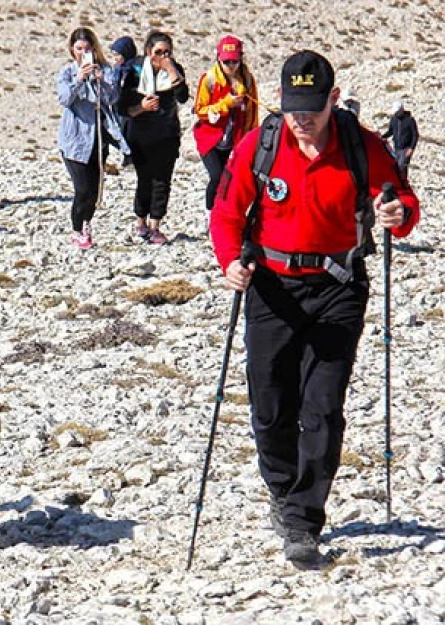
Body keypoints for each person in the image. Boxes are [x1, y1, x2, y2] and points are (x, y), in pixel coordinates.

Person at [210, 51, 419, 568]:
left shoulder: (360, 145)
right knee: (270, 404)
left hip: (338, 287)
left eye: (312, 108)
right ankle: (282, 491)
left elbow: (403, 205)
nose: (302, 120)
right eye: (293, 108)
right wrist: (228, 264)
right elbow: (227, 212)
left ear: (332, 99)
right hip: (271, 287)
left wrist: (396, 213)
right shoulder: (260, 145)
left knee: (322, 407)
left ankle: (304, 518)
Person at [118, 31, 189, 245]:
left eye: (167, 52)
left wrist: (170, 70)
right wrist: (142, 107)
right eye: (159, 52)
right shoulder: (136, 72)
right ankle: (140, 221)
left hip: (167, 135)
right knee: (145, 179)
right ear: (149, 52)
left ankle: (155, 225)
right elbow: (123, 107)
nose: (163, 56)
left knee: (163, 182)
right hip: (141, 135)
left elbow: (183, 97)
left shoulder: (174, 70)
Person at [56, 27, 123, 249]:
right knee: (82, 188)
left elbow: (113, 98)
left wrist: (102, 80)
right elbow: (64, 99)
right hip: (74, 140)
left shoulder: (106, 70)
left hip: (98, 140)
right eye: (78, 49)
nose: (83, 52)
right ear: (72, 50)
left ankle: (87, 223)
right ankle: (76, 229)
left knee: (94, 191)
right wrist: (79, 79)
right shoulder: (67, 72)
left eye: (87, 48)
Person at [192, 35, 259, 211]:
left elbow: (252, 110)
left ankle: (226, 212)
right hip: (210, 139)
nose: (231, 66)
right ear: (219, 60)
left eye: (235, 62)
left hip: (235, 138)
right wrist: (226, 104)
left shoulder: (248, 80)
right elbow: (200, 110)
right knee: (216, 176)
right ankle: (210, 214)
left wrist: (251, 137)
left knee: (232, 178)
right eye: (226, 62)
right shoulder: (209, 79)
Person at [108, 36, 139, 167]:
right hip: (119, 104)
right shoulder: (117, 69)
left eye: (118, 55)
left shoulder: (137, 67)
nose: (116, 58)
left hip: (133, 105)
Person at [382, 101, 418, 177]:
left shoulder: (410, 120)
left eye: (397, 112)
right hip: (396, 148)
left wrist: (411, 148)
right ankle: (399, 182)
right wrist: (382, 137)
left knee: (402, 166)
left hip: (406, 148)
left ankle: (404, 183)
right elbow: (390, 131)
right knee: (396, 166)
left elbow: (415, 135)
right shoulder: (394, 119)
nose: (396, 114)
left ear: (401, 110)